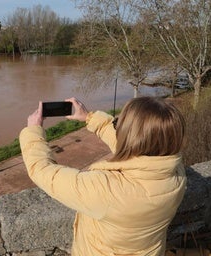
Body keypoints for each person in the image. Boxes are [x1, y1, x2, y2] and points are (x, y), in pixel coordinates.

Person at [19, 96, 187, 256]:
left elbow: (42, 170)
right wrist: (89, 118)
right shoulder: (175, 172)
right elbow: (134, 148)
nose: (117, 126)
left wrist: (33, 130)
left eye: (119, 124)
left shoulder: (106, 191)